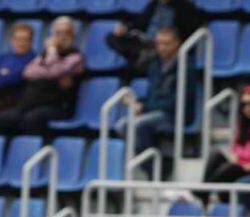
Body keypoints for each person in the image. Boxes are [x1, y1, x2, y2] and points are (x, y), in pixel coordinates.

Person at [0, 17, 85, 135]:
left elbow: (57, 71)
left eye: (66, 32)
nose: (62, 36)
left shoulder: (76, 57)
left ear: (73, 34)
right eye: (58, 33)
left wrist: (52, 52)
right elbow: (28, 71)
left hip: (57, 107)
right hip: (30, 105)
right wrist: (50, 70)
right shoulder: (44, 54)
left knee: (31, 119)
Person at [115, 27, 196, 177]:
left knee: (138, 125)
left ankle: (156, 171)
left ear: (177, 43)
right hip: (155, 113)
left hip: (176, 115)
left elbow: (177, 103)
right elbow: (153, 97)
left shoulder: (187, 66)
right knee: (122, 125)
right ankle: (158, 166)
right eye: (159, 43)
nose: (162, 47)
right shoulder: (155, 65)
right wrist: (136, 101)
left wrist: (144, 107)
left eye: (167, 43)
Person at [105, 0, 200, 73]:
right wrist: (126, 28)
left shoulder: (183, 6)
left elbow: (190, 29)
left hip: (167, 45)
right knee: (111, 37)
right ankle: (139, 55)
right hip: (147, 43)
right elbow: (140, 23)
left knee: (162, 46)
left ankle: (144, 57)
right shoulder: (154, 4)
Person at [202, 87, 250, 197]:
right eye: (244, 104)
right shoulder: (242, 126)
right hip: (239, 167)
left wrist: (244, 165)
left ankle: (202, 193)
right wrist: (233, 157)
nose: (247, 108)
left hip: (246, 169)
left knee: (230, 168)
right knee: (215, 155)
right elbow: (235, 149)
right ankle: (203, 193)